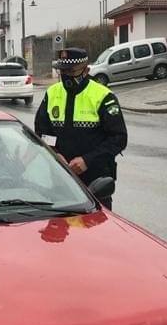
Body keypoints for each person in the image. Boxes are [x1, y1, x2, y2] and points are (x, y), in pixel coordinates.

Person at [34, 47, 128, 209]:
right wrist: (55, 154)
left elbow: (118, 138)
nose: (66, 76)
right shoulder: (52, 93)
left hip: (96, 181)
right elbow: (42, 132)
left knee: (95, 231)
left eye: (71, 71)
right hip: (61, 181)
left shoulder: (104, 96)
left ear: (86, 70)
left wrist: (87, 160)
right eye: (62, 71)